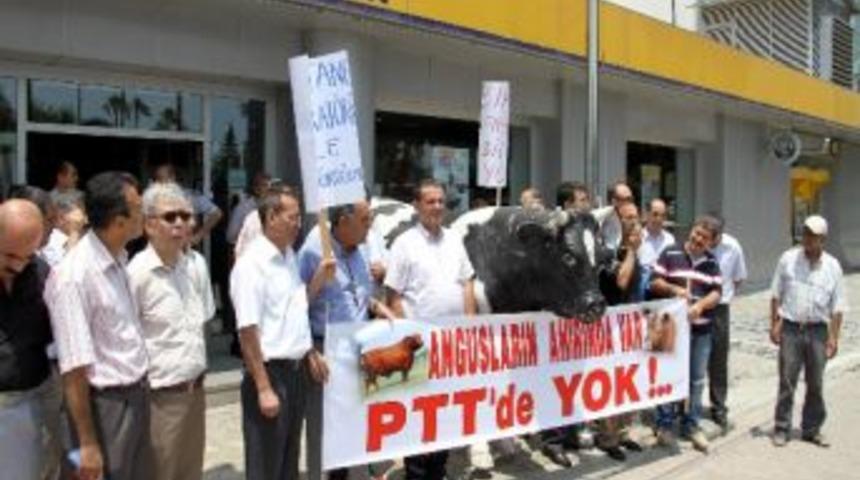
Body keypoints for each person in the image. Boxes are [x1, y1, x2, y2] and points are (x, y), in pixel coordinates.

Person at [44, 171, 152, 480]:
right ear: (119, 220)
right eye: (139, 207)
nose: (145, 214)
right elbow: (74, 368)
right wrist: (87, 443)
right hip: (102, 408)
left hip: (135, 397)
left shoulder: (119, 259)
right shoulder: (73, 277)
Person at [231, 185, 328, 480]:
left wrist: (309, 350)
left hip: (296, 375)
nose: (299, 224)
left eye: (300, 217)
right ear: (271, 217)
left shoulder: (289, 257)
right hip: (270, 375)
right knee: (266, 466)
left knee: (288, 463)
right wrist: (262, 387)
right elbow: (247, 332)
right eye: (293, 217)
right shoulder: (251, 266)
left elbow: (295, 311)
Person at [385, 179, 477, 480]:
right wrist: (407, 338)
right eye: (431, 201)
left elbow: (466, 283)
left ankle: (438, 471)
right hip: (419, 347)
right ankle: (417, 473)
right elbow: (393, 296)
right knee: (418, 416)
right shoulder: (404, 243)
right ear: (417, 206)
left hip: (451, 344)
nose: (438, 207)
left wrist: (470, 325)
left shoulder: (454, 239)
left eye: (441, 201)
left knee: (445, 413)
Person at [299, 199, 396, 480]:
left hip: (358, 350)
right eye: (365, 220)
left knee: (352, 426)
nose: (370, 226)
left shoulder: (362, 248)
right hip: (324, 352)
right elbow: (295, 307)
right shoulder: (314, 249)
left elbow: (361, 295)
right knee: (322, 431)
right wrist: (308, 351)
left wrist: (379, 307)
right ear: (343, 222)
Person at [127, 182, 215, 480]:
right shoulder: (136, 274)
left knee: (190, 473)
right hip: (158, 400)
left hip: (196, 392)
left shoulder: (196, 265)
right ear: (149, 225)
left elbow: (202, 321)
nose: (181, 223)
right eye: (170, 217)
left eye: (186, 216)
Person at [770, 215, 845, 448]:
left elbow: (838, 306)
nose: (807, 239)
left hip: (818, 331)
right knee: (787, 380)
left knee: (816, 383)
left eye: (812, 235)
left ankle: (811, 429)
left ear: (823, 239)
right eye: (805, 233)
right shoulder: (788, 259)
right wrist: (774, 323)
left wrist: (834, 337)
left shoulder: (833, 266)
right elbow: (776, 294)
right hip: (791, 327)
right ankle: (781, 427)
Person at [650, 215, 723, 453]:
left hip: (701, 330)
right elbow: (654, 281)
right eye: (696, 232)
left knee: (697, 380)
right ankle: (664, 425)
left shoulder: (712, 262)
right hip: (669, 328)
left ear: (712, 242)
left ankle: (691, 425)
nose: (698, 238)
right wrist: (673, 288)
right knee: (666, 376)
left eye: (704, 237)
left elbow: (716, 293)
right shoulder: (670, 252)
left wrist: (700, 306)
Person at [0, 199, 53, 480]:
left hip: (31, 403)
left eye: (27, 256)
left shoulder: (41, 274)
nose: (19, 267)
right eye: (9, 256)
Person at [595, 216, 646, 462]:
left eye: (640, 232)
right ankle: (608, 437)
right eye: (635, 232)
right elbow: (622, 282)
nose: (640, 236)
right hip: (610, 329)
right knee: (611, 382)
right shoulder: (613, 256)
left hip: (632, 327)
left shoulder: (635, 255)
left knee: (629, 382)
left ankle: (623, 432)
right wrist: (631, 253)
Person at [707, 214, 747, 433]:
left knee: (719, 360)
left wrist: (726, 294)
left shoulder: (733, 246)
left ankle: (718, 406)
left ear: (721, 234)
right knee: (694, 358)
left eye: (714, 237)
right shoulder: (699, 242)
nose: (710, 241)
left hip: (720, 309)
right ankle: (686, 407)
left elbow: (739, 277)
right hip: (697, 307)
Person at [153, 163, 223, 245]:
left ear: (173, 178)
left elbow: (217, 213)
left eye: (163, 179)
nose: (161, 184)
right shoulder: (152, 200)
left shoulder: (190, 196)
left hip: (184, 248)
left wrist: (198, 236)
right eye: (158, 180)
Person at [227, 172, 271, 246]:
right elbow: (230, 236)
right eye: (257, 185)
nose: (260, 188)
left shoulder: (277, 206)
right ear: (253, 187)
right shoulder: (242, 208)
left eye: (265, 185)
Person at [638, 198, 675, 269]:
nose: (659, 219)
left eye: (663, 215)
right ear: (647, 214)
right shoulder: (638, 237)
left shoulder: (670, 239)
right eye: (655, 214)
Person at [597, 181, 634, 250]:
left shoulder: (633, 217)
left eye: (631, 199)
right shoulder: (604, 218)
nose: (630, 203)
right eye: (627, 199)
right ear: (614, 201)